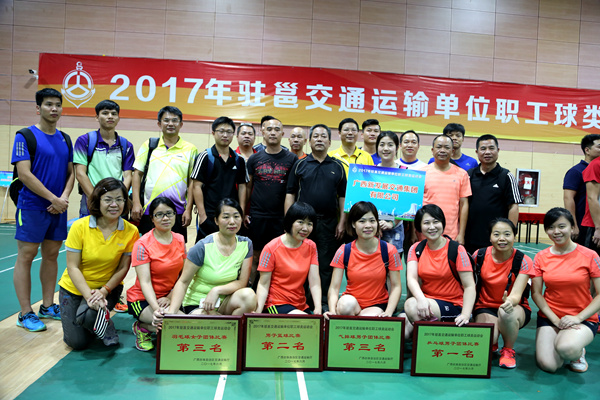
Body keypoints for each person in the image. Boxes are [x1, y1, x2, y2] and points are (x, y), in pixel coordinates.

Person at [12, 88, 75, 332]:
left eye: (57, 104)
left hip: (58, 207)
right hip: (32, 206)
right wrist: (53, 198)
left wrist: (64, 198)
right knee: (26, 256)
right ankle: (25, 312)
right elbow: (24, 174)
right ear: (38, 108)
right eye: (48, 104)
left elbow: (71, 173)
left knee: (51, 255)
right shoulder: (25, 135)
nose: (54, 109)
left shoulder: (65, 138)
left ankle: (48, 306)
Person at [58, 178, 139, 349]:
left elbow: (123, 268)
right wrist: (90, 297)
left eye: (119, 199)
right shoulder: (79, 226)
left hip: (107, 288)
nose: (114, 205)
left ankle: (99, 322)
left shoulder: (131, 231)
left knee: (88, 317)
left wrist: (103, 291)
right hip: (74, 288)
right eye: (108, 199)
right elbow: (72, 267)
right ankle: (101, 323)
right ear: (98, 201)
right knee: (77, 343)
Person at [152, 199, 256, 329]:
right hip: (199, 303)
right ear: (216, 221)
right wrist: (172, 314)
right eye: (226, 217)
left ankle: (227, 327)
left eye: (236, 216)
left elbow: (242, 282)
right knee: (207, 326)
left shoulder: (246, 244)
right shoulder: (202, 247)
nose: (232, 222)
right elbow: (183, 282)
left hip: (225, 301)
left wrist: (216, 290)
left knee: (249, 296)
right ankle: (223, 325)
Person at [531, 207, 600, 373]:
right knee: (548, 365)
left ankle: (577, 352)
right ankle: (564, 342)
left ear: (572, 227)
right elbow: (536, 293)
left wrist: (578, 318)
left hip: (582, 318)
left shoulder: (590, 255)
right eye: (551, 227)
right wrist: (555, 320)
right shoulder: (541, 257)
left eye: (561, 226)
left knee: (566, 348)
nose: (556, 231)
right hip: (551, 317)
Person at [285, 124, 346, 309]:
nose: (319, 139)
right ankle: (301, 302)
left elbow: (343, 197)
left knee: (326, 264)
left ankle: (324, 303)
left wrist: (342, 222)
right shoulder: (300, 164)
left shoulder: (338, 166)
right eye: (316, 136)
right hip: (303, 224)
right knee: (301, 263)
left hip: (329, 223)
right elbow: (290, 193)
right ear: (309, 141)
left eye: (323, 136)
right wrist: (289, 222)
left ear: (330, 142)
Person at [404, 204, 476, 337]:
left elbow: (470, 286)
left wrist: (465, 315)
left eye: (436, 222)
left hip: (453, 304)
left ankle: (432, 338)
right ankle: (430, 331)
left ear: (442, 223)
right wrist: (421, 299)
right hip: (427, 302)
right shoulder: (416, 248)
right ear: (419, 227)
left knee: (411, 306)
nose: (432, 227)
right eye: (426, 223)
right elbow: (411, 279)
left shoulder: (457, 249)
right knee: (402, 331)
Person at [472, 218, 533, 369]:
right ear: (490, 237)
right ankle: (492, 342)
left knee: (505, 313)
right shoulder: (479, 255)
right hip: (485, 307)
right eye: (496, 234)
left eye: (507, 234)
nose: (502, 239)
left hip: (514, 308)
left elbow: (517, 294)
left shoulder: (523, 260)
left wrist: (510, 301)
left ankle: (508, 350)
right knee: (488, 340)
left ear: (514, 236)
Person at [127, 197, 186, 352]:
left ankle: (153, 326)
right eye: (159, 214)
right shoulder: (142, 244)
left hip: (169, 296)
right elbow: (145, 282)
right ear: (152, 219)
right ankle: (143, 327)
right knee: (174, 325)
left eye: (169, 213)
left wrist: (170, 297)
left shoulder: (180, 239)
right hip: (143, 299)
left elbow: (183, 276)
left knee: (185, 326)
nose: (165, 218)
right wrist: (156, 309)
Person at [131, 106, 198, 242]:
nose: (170, 124)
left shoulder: (191, 149)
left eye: (175, 120)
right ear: (159, 124)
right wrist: (136, 203)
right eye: (166, 120)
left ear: (181, 124)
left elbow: (192, 181)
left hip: (177, 211)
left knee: (175, 248)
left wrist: (188, 209)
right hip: (150, 209)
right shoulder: (149, 145)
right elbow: (137, 174)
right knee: (148, 246)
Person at [326, 201, 402, 318]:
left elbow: (396, 286)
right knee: (345, 306)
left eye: (372, 221)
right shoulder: (343, 250)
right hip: (352, 302)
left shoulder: (389, 250)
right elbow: (334, 287)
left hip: (377, 305)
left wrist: (388, 312)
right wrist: (332, 310)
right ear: (353, 224)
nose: (368, 225)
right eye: (362, 221)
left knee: (369, 318)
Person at [246, 117, 298, 287]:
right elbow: (247, 188)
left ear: (282, 133)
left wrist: (289, 219)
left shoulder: (292, 159)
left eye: (276, 129)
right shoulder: (254, 159)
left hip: (280, 218)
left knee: (280, 256)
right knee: (255, 256)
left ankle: (274, 292)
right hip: (258, 216)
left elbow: (293, 191)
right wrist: (245, 212)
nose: (273, 132)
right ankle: (251, 291)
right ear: (262, 132)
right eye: (269, 129)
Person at [255, 202, 322, 314]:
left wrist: (318, 308)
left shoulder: (311, 246)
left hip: (300, 305)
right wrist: (257, 312)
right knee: (305, 321)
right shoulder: (271, 248)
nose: (305, 228)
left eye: (309, 224)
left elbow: (314, 281)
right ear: (290, 222)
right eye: (300, 222)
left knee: (315, 322)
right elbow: (263, 284)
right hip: (276, 304)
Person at [73, 99, 135, 218]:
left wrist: (117, 199)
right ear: (97, 117)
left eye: (114, 114)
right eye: (105, 113)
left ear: (118, 118)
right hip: (92, 202)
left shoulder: (126, 145)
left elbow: (128, 176)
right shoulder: (84, 141)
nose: (110, 116)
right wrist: (97, 200)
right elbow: (80, 174)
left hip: (116, 205)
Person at [191, 116, 248, 242]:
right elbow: (196, 186)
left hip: (231, 216)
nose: (225, 135)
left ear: (233, 135)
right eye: (221, 131)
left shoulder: (239, 160)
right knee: (206, 248)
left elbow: (242, 186)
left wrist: (241, 213)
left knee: (231, 247)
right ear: (213, 133)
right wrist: (202, 216)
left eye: (229, 132)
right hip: (210, 215)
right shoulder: (205, 156)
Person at [465, 134, 520, 254]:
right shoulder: (468, 175)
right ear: (477, 152)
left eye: (491, 148)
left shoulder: (506, 176)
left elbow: (513, 207)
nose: (487, 152)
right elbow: (463, 205)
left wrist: (510, 233)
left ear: (498, 150)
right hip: (470, 237)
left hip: (497, 239)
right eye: (483, 149)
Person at [422, 135, 471, 243]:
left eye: (447, 147)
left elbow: (464, 205)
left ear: (452, 151)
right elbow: (415, 204)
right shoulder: (421, 173)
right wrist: (413, 232)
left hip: (451, 234)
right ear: (432, 150)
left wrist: (461, 234)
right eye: (439, 147)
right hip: (425, 232)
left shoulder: (462, 174)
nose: (442, 150)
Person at [565, 134, 600, 244]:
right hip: (584, 225)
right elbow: (568, 198)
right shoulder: (575, 171)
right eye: (599, 147)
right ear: (587, 150)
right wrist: (573, 225)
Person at [375, 131, 405, 257]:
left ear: (397, 148)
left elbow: (406, 203)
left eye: (390, 145)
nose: (386, 148)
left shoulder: (405, 173)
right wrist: (374, 224)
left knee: (393, 267)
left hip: (396, 229)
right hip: (373, 229)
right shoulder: (370, 172)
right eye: (382, 144)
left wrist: (392, 223)